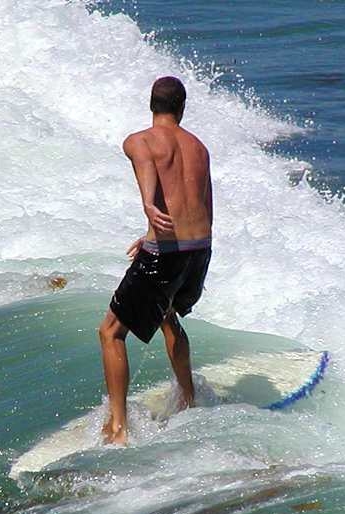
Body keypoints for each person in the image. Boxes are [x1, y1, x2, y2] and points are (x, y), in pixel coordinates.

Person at [98, 76, 213, 445]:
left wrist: (149, 206)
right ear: (182, 107)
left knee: (111, 332)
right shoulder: (199, 147)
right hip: (197, 248)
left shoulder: (140, 140)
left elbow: (147, 166)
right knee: (167, 315)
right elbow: (200, 203)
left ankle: (118, 427)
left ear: (152, 105)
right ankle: (189, 399)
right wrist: (153, 232)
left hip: (164, 253)